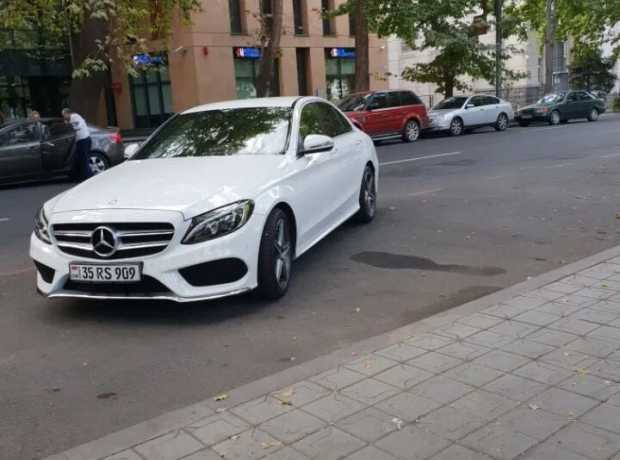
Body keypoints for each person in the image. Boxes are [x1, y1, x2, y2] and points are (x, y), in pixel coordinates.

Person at [62, 108, 92, 180]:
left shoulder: (74, 117)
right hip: (81, 141)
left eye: (64, 115)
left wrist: (69, 125)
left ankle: (88, 177)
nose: (64, 117)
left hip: (83, 140)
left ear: (67, 113)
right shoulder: (72, 118)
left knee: (83, 159)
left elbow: (77, 126)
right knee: (79, 159)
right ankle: (81, 175)